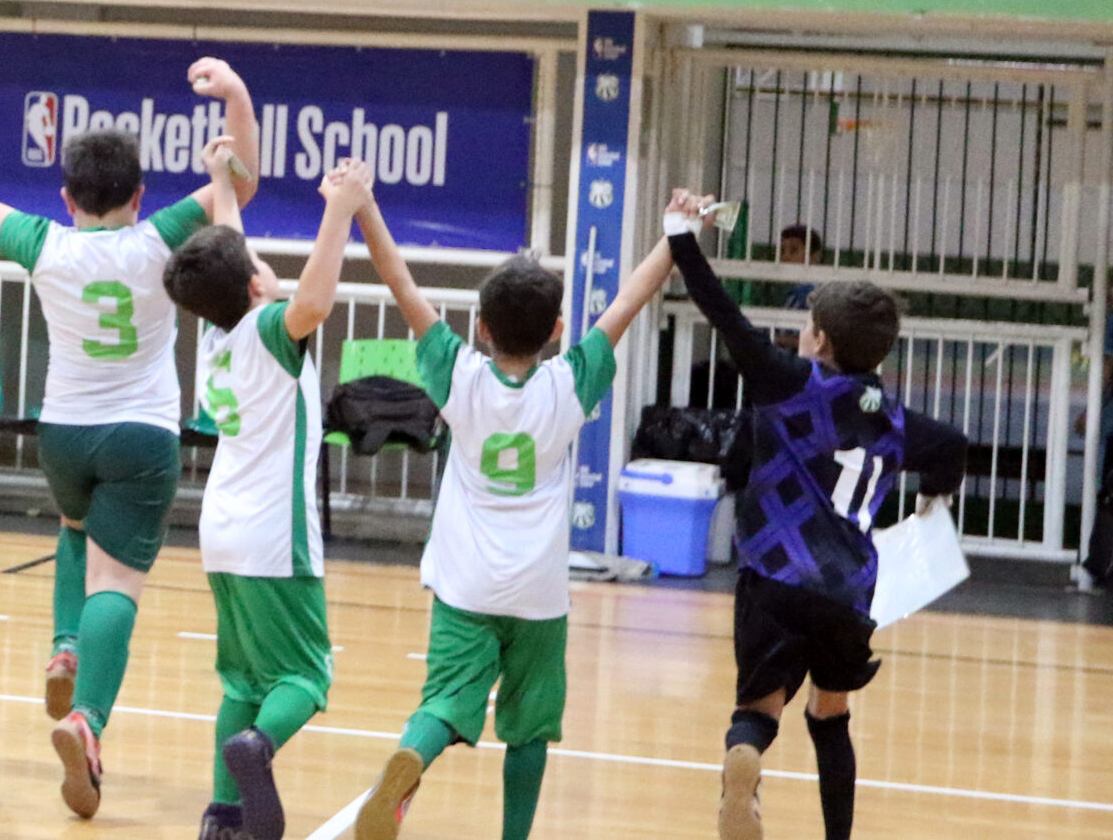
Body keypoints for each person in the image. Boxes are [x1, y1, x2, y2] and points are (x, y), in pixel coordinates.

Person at [0, 57, 259, 819]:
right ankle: (89, 719)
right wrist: (235, 97)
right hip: (139, 433)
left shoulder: (47, 243)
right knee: (121, 581)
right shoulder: (159, 239)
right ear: (139, 195)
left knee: (78, 528)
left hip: (64, 433)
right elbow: (241, 180)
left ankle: (66, 643)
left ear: (67, 196)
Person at [349, 201, 680, 840]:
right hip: (537, 593)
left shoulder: (459, 375)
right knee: (529, 726)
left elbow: (400, 282)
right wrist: (675, 237)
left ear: (480, 328)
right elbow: (627, 305)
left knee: (444, 702)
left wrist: (363, 205)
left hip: (464, 583)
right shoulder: (568, 384)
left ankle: (413, 755)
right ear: (557, 329)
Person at [660, 194, 968, 840]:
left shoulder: (788, 381)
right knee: (831, 716)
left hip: (775, 574)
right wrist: (931, 496)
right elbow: (954, 447)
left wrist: (681, 235)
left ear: (818, 339)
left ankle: (745, 755)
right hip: (849, 591)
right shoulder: (897, 420)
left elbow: (722, 312)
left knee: (757, 710)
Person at [169, 153, 367, 840]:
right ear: (257, 285)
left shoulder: (221, 337)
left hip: (220, 531)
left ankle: (223, 816)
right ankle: (258, 748)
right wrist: (339, 207)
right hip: (272, 535)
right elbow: (312, 300)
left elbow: (232, 257)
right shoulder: (270, 329)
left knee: (242, 682)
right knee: (306, 676)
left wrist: (224, 183)